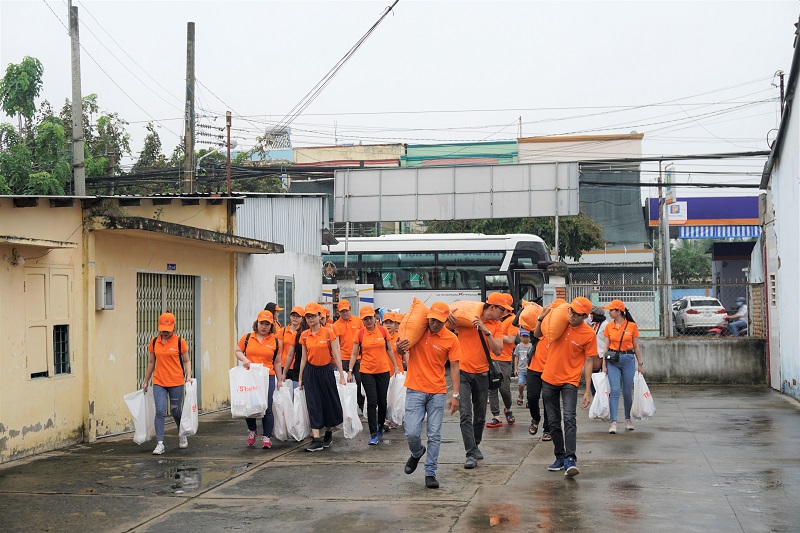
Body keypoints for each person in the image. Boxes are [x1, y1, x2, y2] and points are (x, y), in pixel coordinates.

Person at [396, 301, 462, 489]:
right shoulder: (418, 332)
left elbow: (455, 366)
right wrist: (400, 348)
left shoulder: (451, 339)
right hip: (415, 389)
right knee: (411, 432)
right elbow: (401, 351)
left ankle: (430, 473)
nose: (435, 324)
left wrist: (455, 395)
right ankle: (417, 453)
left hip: (437, 392)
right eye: (432, 320)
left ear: (445, 321)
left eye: (439, 321)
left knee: (434, 435)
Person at [534, 296, 598, 477]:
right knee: (553, 422)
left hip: (570, 381)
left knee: (569, 418)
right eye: (571, 311)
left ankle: (571, 458)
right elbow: (537, 335)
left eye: (577, 314)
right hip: (548, 378)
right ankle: (559, 456)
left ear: (585, 316)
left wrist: (587, 390)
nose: (572, 316)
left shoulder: (588, 334)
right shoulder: (559, 324)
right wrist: (541, 317)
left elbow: (588, 362)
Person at [450, 292, 509, 469]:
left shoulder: (497, 326)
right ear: (492, 307)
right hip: (463, 373)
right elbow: (448, 327)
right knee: (465, 414)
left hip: (483, 374)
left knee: (480, 416)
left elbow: (498, 351)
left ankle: (475, 445)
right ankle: (470, 453)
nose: (504, 313)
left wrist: (486, 330)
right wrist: (449, 320)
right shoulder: (467, 319)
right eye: (503, 309)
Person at [298, 302, 347, 452]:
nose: (311, 319)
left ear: (320, 316)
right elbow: (303, 358)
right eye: (308, 316)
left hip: (326, 371)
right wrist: (300, 378)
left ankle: (328, 432)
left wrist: (341, 375)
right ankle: (316, 438)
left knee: (328, 402)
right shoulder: (305, 335)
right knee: (313, 403)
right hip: (311, 372)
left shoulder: (328, 333)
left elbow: (336, 354)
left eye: (313, 316)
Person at [142, 312, 192, 455]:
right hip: (159, 382)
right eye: (162, 329)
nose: (164, 332)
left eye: (167, 330)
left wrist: (188, 376)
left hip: (176, 382)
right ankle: (160, 443)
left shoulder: (179, 342)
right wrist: (146, 381)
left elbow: (186, 360)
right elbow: (151, 362)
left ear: (173, 326)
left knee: (176, 412)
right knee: (160, 411)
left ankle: (182, 434)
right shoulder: (154, 342)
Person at [350, 306, 400, 445]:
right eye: (365, 319)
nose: (368, 321)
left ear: (375, 318)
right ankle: (373, 433)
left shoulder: (383, 331)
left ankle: (380, 426)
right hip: (366, 371)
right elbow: (354, 354)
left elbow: (390, 349)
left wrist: (395, 366)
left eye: (370, 318)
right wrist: (349, 370)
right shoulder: (359, 334)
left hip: (383, 371)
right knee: (372, 402)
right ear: (362, 320)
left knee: (382, 402)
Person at [234, 310, 283, 449]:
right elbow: (237, 350)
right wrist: (244, 359)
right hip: (250, 377)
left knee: (266, 407)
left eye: (267, 324)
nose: (264, 327)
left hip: (267, 377)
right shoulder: (248, 338)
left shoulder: (275, 341)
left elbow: (278, 362)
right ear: (257, 323)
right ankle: (252, 430)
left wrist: (279, 379)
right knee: (249, 406)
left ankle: (267, 436)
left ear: (271, 325)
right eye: (262, 323)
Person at [525, 298, 568, 441]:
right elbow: (535, 334)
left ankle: (547, 429)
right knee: (532, 397)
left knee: (548, 400)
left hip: (551, 370)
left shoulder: (561, 331)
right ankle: (535, 418)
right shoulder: (543, 327)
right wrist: (541, 317)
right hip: (534, 369)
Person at [602, 300, 643, 434]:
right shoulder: (608, 326)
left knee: (626, 392)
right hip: (613, 360)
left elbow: (636, 346)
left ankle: (627, 419)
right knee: (614, 391)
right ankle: (613, 422)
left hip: (628, 360)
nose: (609, 312)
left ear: (618, 312)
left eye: (611, 310)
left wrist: (640, 364)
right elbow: (606, 347)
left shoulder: (631, 326)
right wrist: (604, 365)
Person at [487, 293, 517, 429]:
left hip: (504, 359)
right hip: (491, 358)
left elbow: (511, 339)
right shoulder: (492, 319)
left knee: (504, 389)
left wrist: (494, 335)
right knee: (492, 388)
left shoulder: (513, 320)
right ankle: (496, 416)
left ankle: (508, 409)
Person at [333, 299, 364, 411]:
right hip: (344, 359)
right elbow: (336, 344)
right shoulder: (335, 325)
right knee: (345, 385)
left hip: (359, 358)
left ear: (350, 310)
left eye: (346, 310)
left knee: (361, 384)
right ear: (338, 312)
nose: (344, 313)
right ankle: (347, 409)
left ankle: (362, 406)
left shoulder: (358, 321)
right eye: (342, 311)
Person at [280, 306, 308, 388]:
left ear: (302, 318)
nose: (295, 318)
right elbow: (280, 350)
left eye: (298, 316)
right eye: (293, 316)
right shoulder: (283, 331)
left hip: (298, 366)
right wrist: (283, 372)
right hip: (285, 365)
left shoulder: (303, 333)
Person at [588, 306, 609, 396]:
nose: (589, 316)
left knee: (601, 378)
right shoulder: (593, 324)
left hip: (601, 355)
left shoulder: (605, 325)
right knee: (593, 378)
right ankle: (595, 395)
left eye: (591, 314)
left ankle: (602, 396)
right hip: (594, 355)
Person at [513, 329, 534, 407]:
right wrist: (515, 368)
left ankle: (529, 399)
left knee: (530, 387)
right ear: (520, 337)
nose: (525, 338)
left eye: (527, 336)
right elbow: (516, 357)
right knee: (521, 384)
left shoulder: (532, 346)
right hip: (521, 369)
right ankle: (521, 394)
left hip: (530, 369)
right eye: (523, 336)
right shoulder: (519, 346)